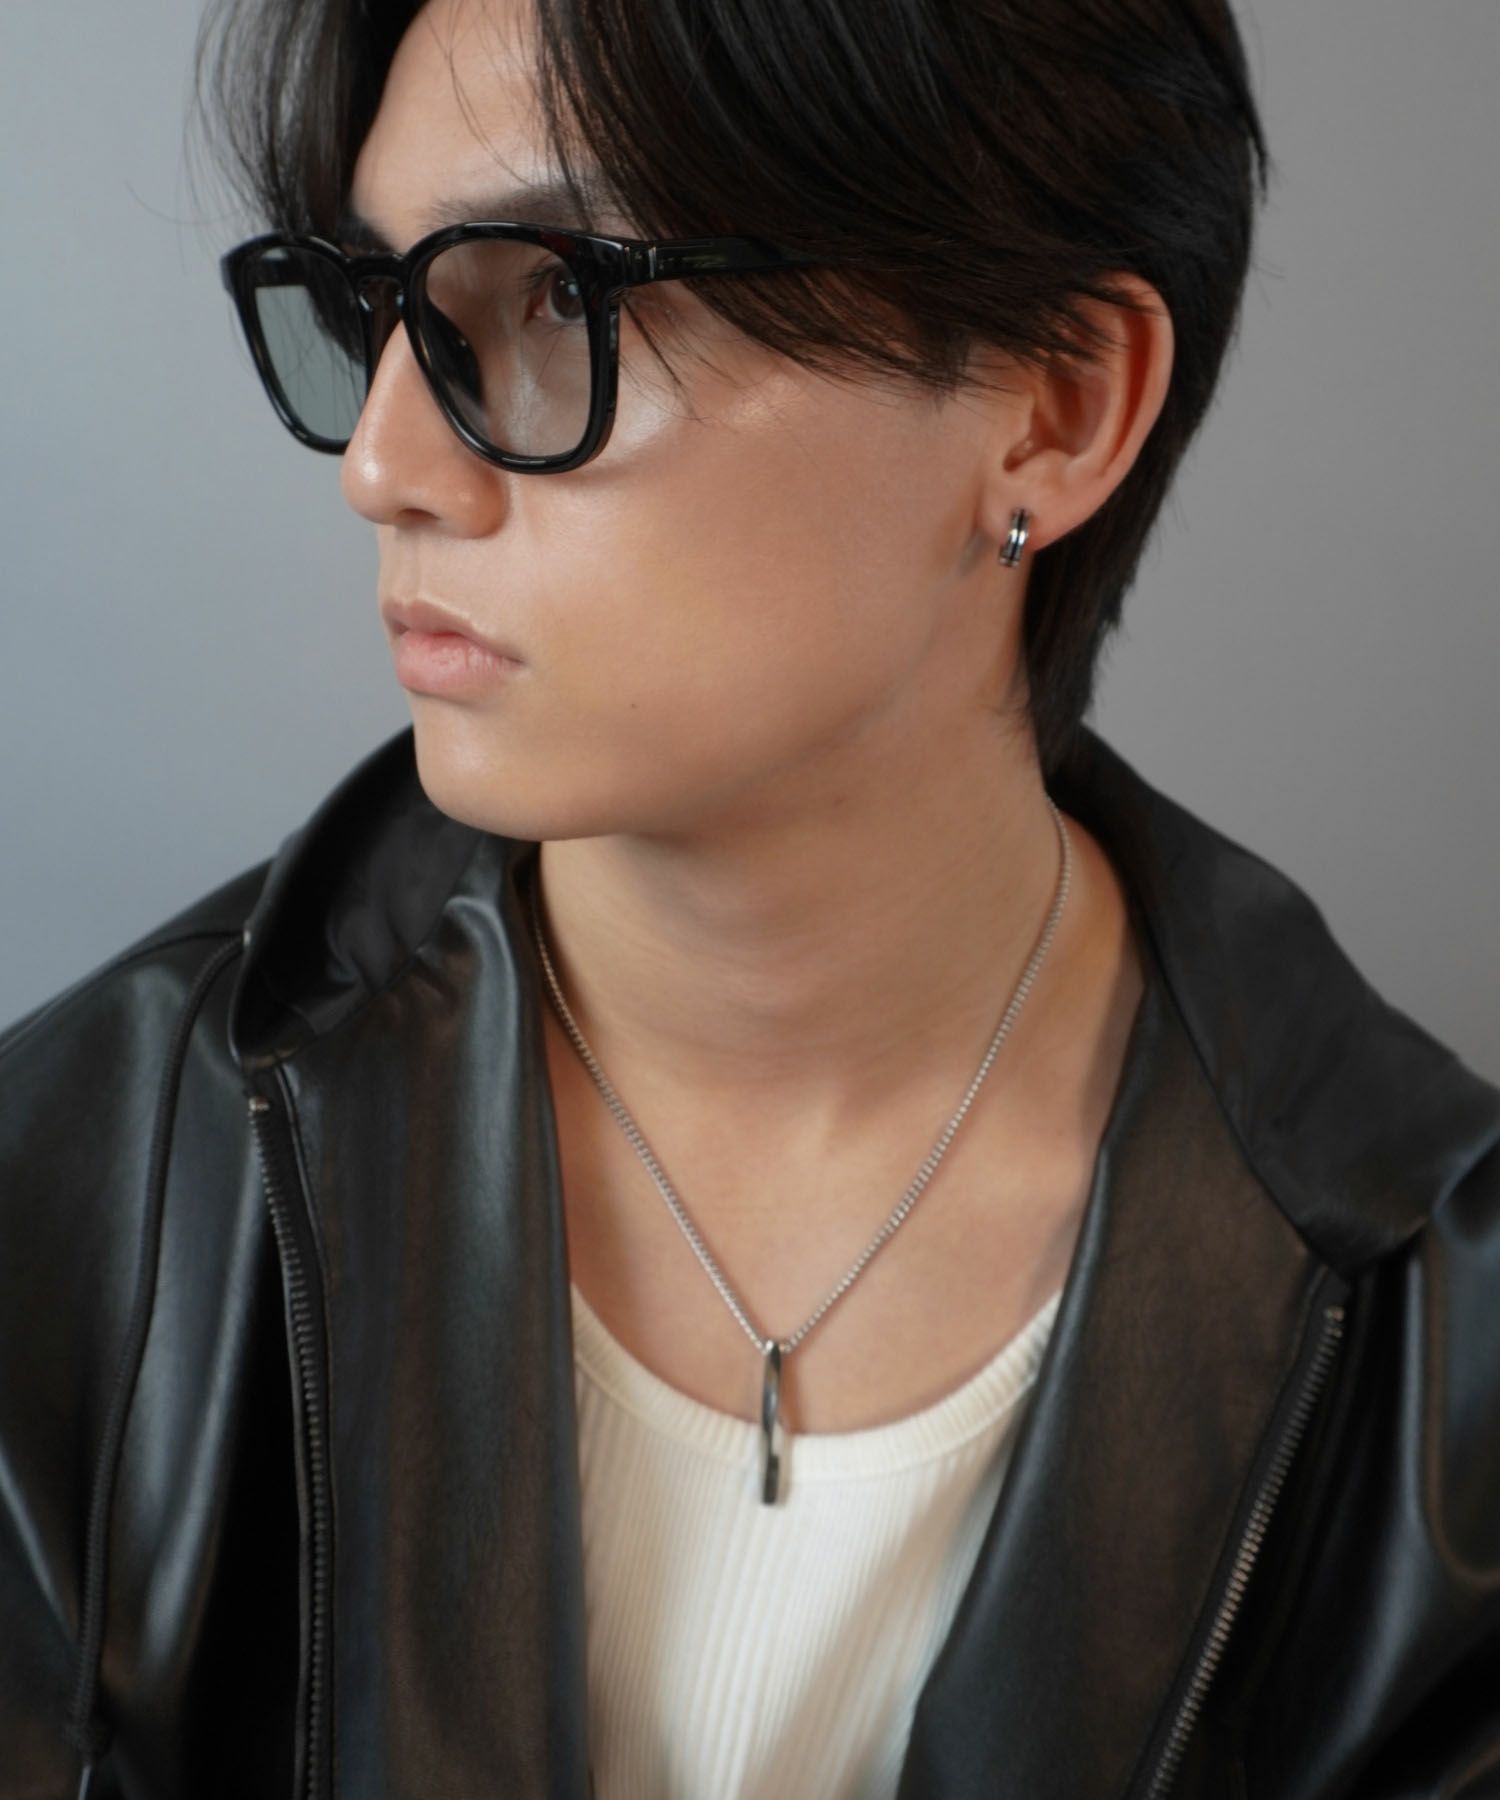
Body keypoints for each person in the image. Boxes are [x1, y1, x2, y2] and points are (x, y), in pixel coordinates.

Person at [2, 0, 1497, 1793]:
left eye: (558, 299)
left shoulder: (1445, 1368)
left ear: (1055, 403)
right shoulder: (83, 1209)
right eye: (379, 304)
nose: (383, 464)